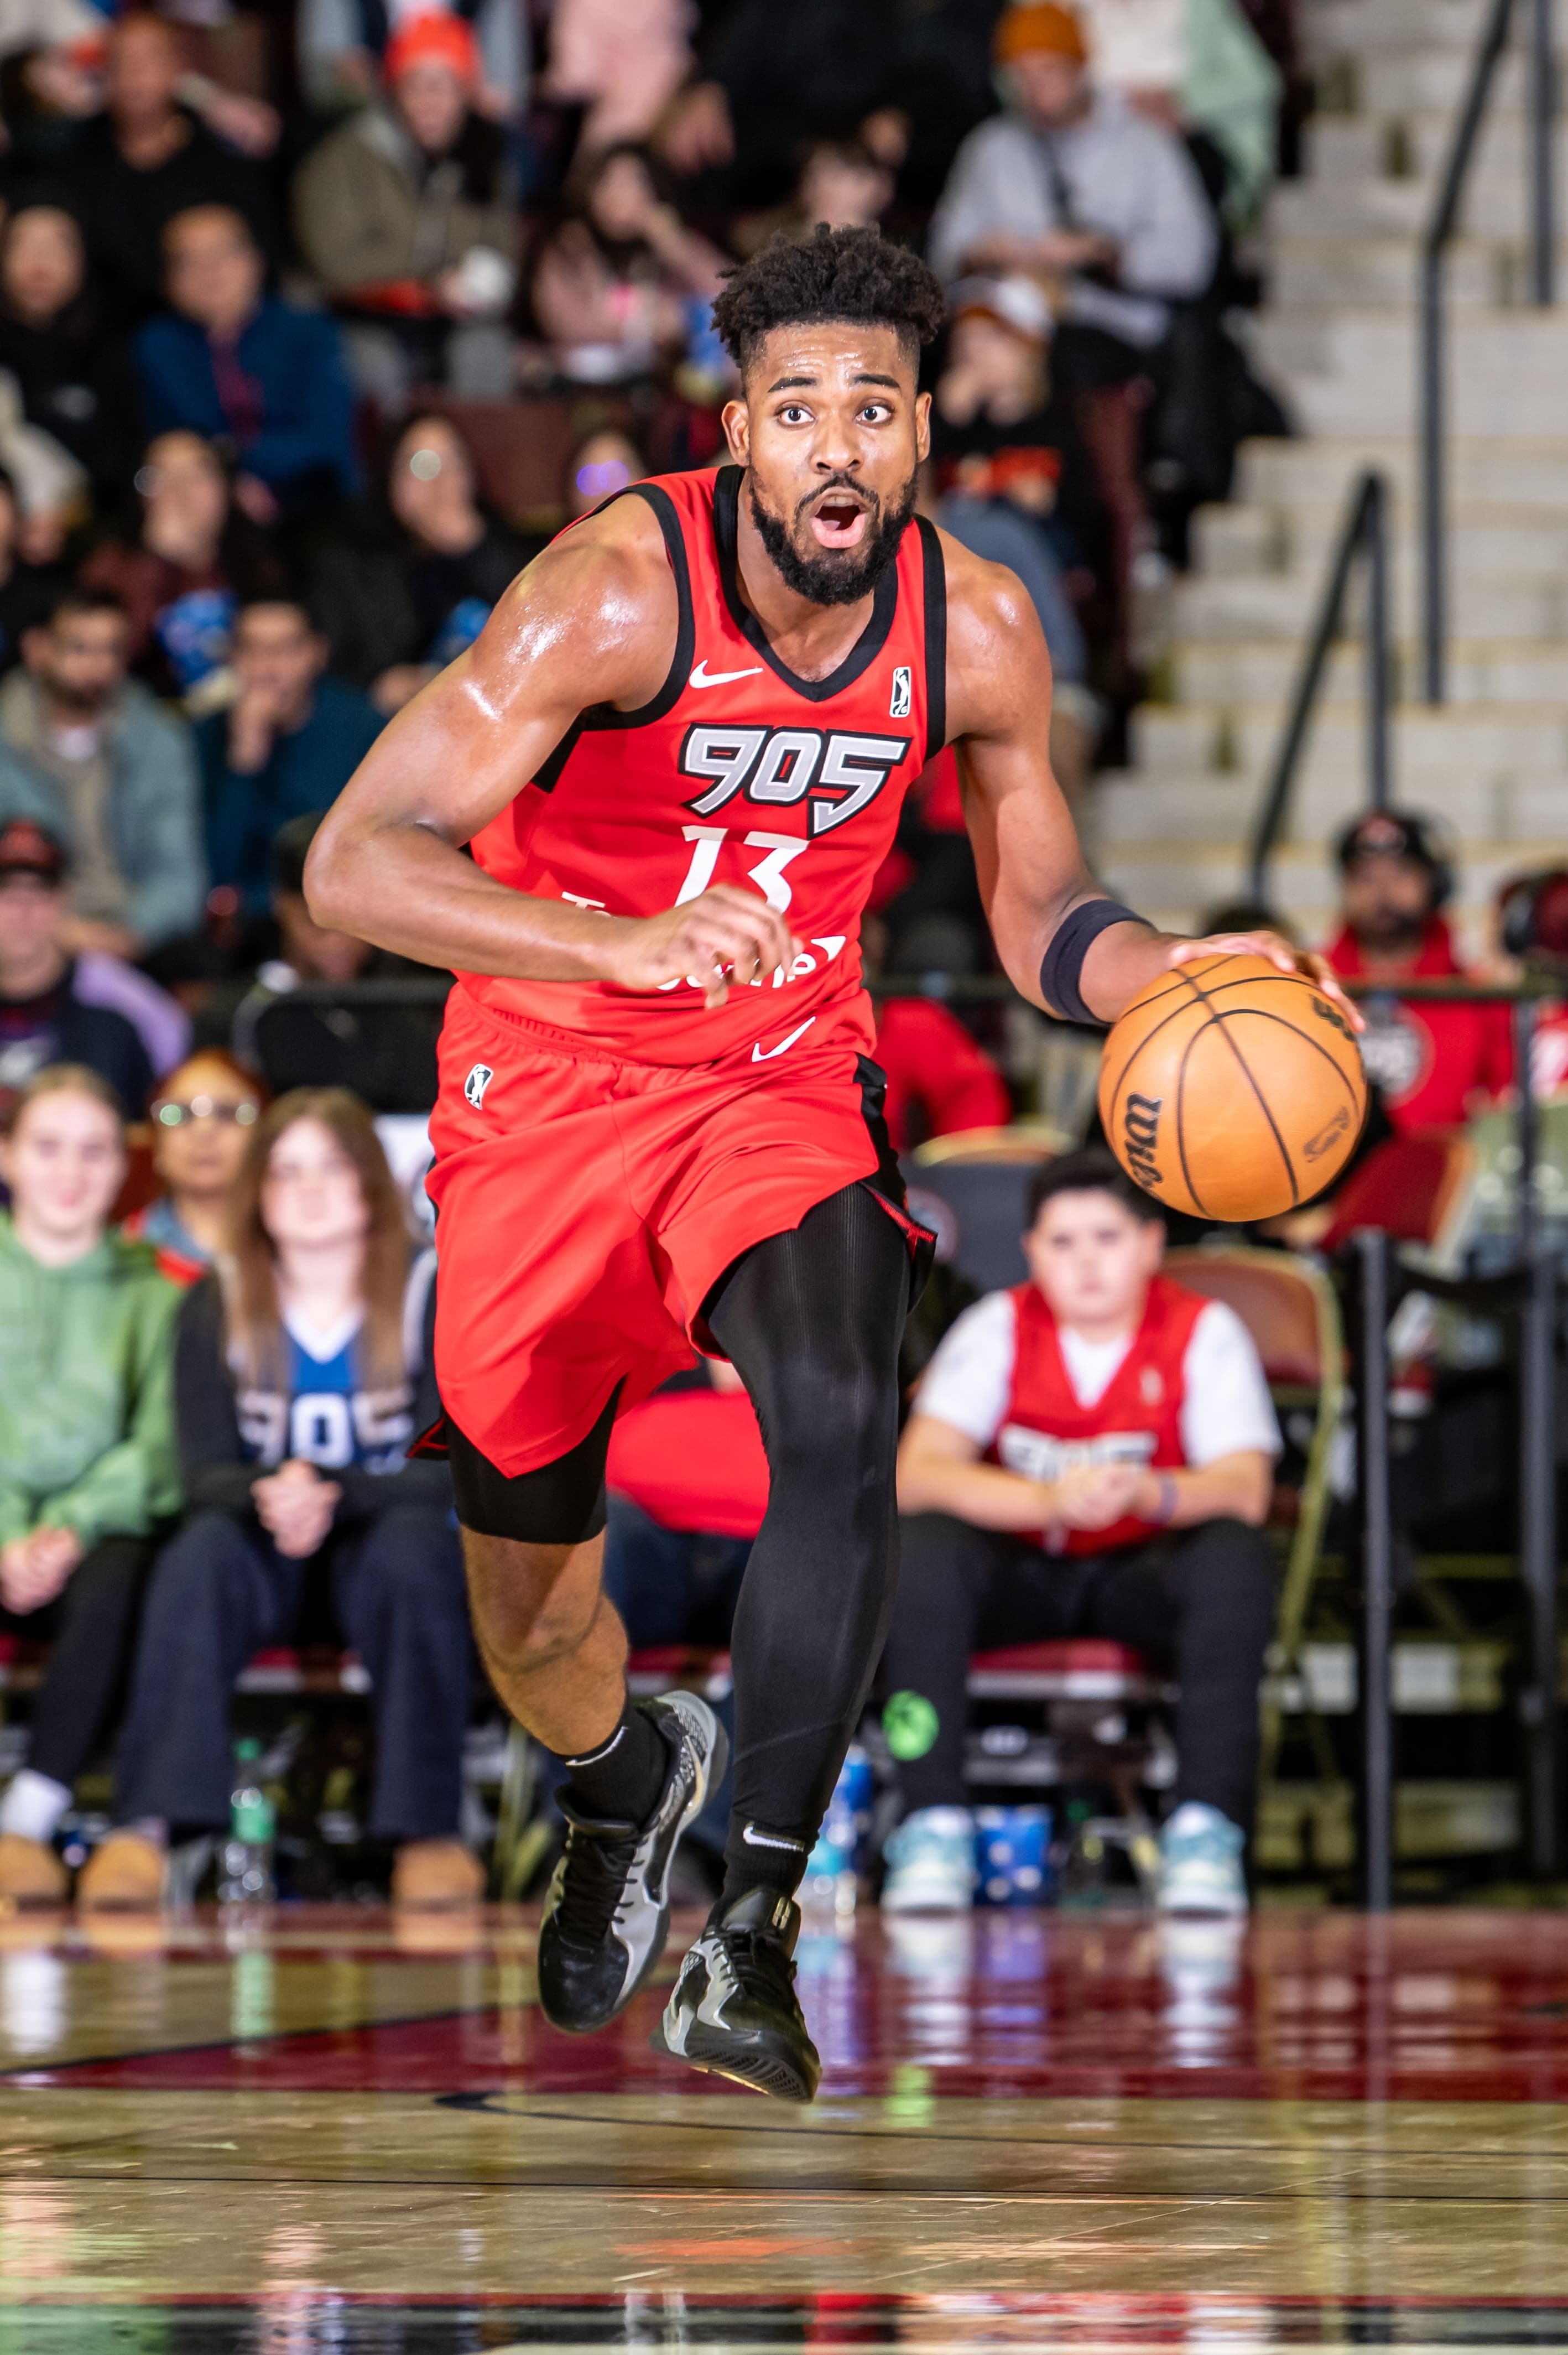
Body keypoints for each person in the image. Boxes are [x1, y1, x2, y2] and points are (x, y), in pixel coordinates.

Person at [305, 223, 1343, 2102]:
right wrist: (609, 942)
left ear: (924, 431)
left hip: (774, 1074)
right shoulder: (612, 590)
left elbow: (1039, 910)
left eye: (873, 405)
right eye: (800, 410)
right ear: (741, 432)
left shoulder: (979, 624)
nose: (837, 442)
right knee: (533, 1623)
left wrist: (1159, 969)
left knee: (839, 1393)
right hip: (542, 1088)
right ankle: (629, 1772)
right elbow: (357, 859)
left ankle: (753, 1923)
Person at [80, 1088, 482, 1913]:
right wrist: (274, 1491)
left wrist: (328, 1491)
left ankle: (428, 1831)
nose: (306, 1189)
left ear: (372, 1182)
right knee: (198, 1552)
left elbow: (451, 1468)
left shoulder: (426, 1290)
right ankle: (148, 1824)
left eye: (331, 1168)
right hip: (263, 1554)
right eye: (286, 1171)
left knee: (416, 1549)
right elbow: (204, 1472)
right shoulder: (220, 1297)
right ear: (256, 1190)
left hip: (379, 1556)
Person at [883, 1147, 1280, 1917]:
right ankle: (929, 1824)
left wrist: (1147, 1490)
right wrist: (1046, 1501)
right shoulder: (997, 1324)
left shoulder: (1203, 1330)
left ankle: (1206, 1830)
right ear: (1030, 1252)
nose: (1085, 1264)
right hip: (1028, 1569)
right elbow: (916, 1473)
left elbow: (1244, 1487)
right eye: (1062, 1244)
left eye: (1106, 1238)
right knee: (923, 1547)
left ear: (1150, 1244)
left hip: (1139, 1571)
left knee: (1232, 1555)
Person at [0, 1065, 181, 1906]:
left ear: (123, 1167)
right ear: (9, 1157)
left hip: (93, 1539)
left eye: (94, 1151)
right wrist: (9, 1536)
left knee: (124, 1575)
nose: (70, 1172)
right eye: (48, 1147)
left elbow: (159, 1444)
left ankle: (30, 1815)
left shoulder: (160, 1289)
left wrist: (66, 1528)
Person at [928, 6, 1217, 384]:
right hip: (1002, 321)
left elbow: (1190, 260)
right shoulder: (991, 148)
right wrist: (982, 253)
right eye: (1023, 77)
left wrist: (1102, 255)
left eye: (1049, 71)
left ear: (1080, 69)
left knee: (1060, 363)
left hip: (1109, 325)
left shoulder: (1143, 145)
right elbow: (942, 252)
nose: (1036, 89)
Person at [290, 11, 519, 414]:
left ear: (465, 94)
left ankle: (474, 467)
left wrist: (483, 284)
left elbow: (504, 252)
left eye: (445, 86)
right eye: (417, 84)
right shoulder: (343, 157)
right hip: (357, 316)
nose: (431, 101)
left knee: (485, 350)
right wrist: (429, 283)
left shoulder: (486, 160)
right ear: (394, 90)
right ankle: (389, 472)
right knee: (371, 363)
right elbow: (334, 262)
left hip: (449, 321)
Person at [0, 585, 206, 957]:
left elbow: (179, 877)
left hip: (131, 935)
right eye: (79, 648)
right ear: (38, 649)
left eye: (111, 650)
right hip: (22, 933)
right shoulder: (5, 738)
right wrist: (54, 930)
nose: (99, 666)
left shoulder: (156, 737)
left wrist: (126, 934)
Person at [200, 812, 441, 1112]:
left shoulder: (413, 1004)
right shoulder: (238, 1015)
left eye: (356, 922)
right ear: (282, 905)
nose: (339, 942)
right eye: (317, 923)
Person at [135, 206, 361, 522]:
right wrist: (226, 482)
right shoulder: (156, 346)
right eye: (190, 261)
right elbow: (160, 447)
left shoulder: (311, 333)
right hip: (206, 509)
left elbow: (328, 439)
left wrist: (236, 460)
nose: (210, 270)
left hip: (313, 498)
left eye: (223, 252)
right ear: (169, 280)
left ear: (256, 260)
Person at [307, 413, 527, 715]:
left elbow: (528, 632)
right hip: (380, 726)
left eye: (455, 464)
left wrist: (473, 550)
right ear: (390, 477)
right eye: (423, 466)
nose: (441, 483)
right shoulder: (348, 560)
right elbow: (330, 663)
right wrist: (377, 684)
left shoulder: (499, 545)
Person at [64, 12, 273, 327]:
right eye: (121, 62)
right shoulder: (75, 155)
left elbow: (259, 258)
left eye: (149, 60)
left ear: (178, 69)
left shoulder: (219, 155)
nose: (135, 74)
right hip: (106, 334)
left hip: (210, 329)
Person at [1324, 810, 1512, 1135]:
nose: (1382, 892)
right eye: (1364, 877)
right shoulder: (1313, 990)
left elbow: (1505, 1106)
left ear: (1435, 885)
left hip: (1448, 1175)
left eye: (1401, 875)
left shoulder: (1477, 994)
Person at [199, 598, 383, 912]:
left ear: (317, 653)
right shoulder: (206, 735)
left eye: (285, 650)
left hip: (346, 909)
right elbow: (217, 872)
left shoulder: (363, 726)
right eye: (252, 650)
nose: (268, 670)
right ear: (233, 656)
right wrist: (244, 761)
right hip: (248, 924)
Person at [0, 814, 190, 1116]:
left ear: (64, 900)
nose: (23, 912)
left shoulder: (125, 1004)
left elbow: (169, 1108)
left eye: (38, 893)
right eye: (7, 894)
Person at [79, 429, 287, 702]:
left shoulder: (257, 558)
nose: (180, 492)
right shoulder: (112, 565)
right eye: (159, 477)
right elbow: (104, 664)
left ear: (226, 489)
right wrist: (157, 560)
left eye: (197, 476)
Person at [529, 143, 728, 387]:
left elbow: (731, 294)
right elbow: (563, 322)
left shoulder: (662, 247)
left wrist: (675, 244)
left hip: (654, 384)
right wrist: (642, 328)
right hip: (577, 384)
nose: (617, 194)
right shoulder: (571, 243)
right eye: (608, 181)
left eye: (633, 183)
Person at [0, 200, 141, 506]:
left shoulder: (117, 346)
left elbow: (124, 462)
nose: (39, 259)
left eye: (58, 245)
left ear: (83, 259)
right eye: (23, 244)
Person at [121, 1047, 265, 1283]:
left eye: (227, 1113)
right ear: (156, 1144)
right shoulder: (122, 1253)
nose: (204, 1132)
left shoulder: (297, 1247)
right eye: (180, 1114)